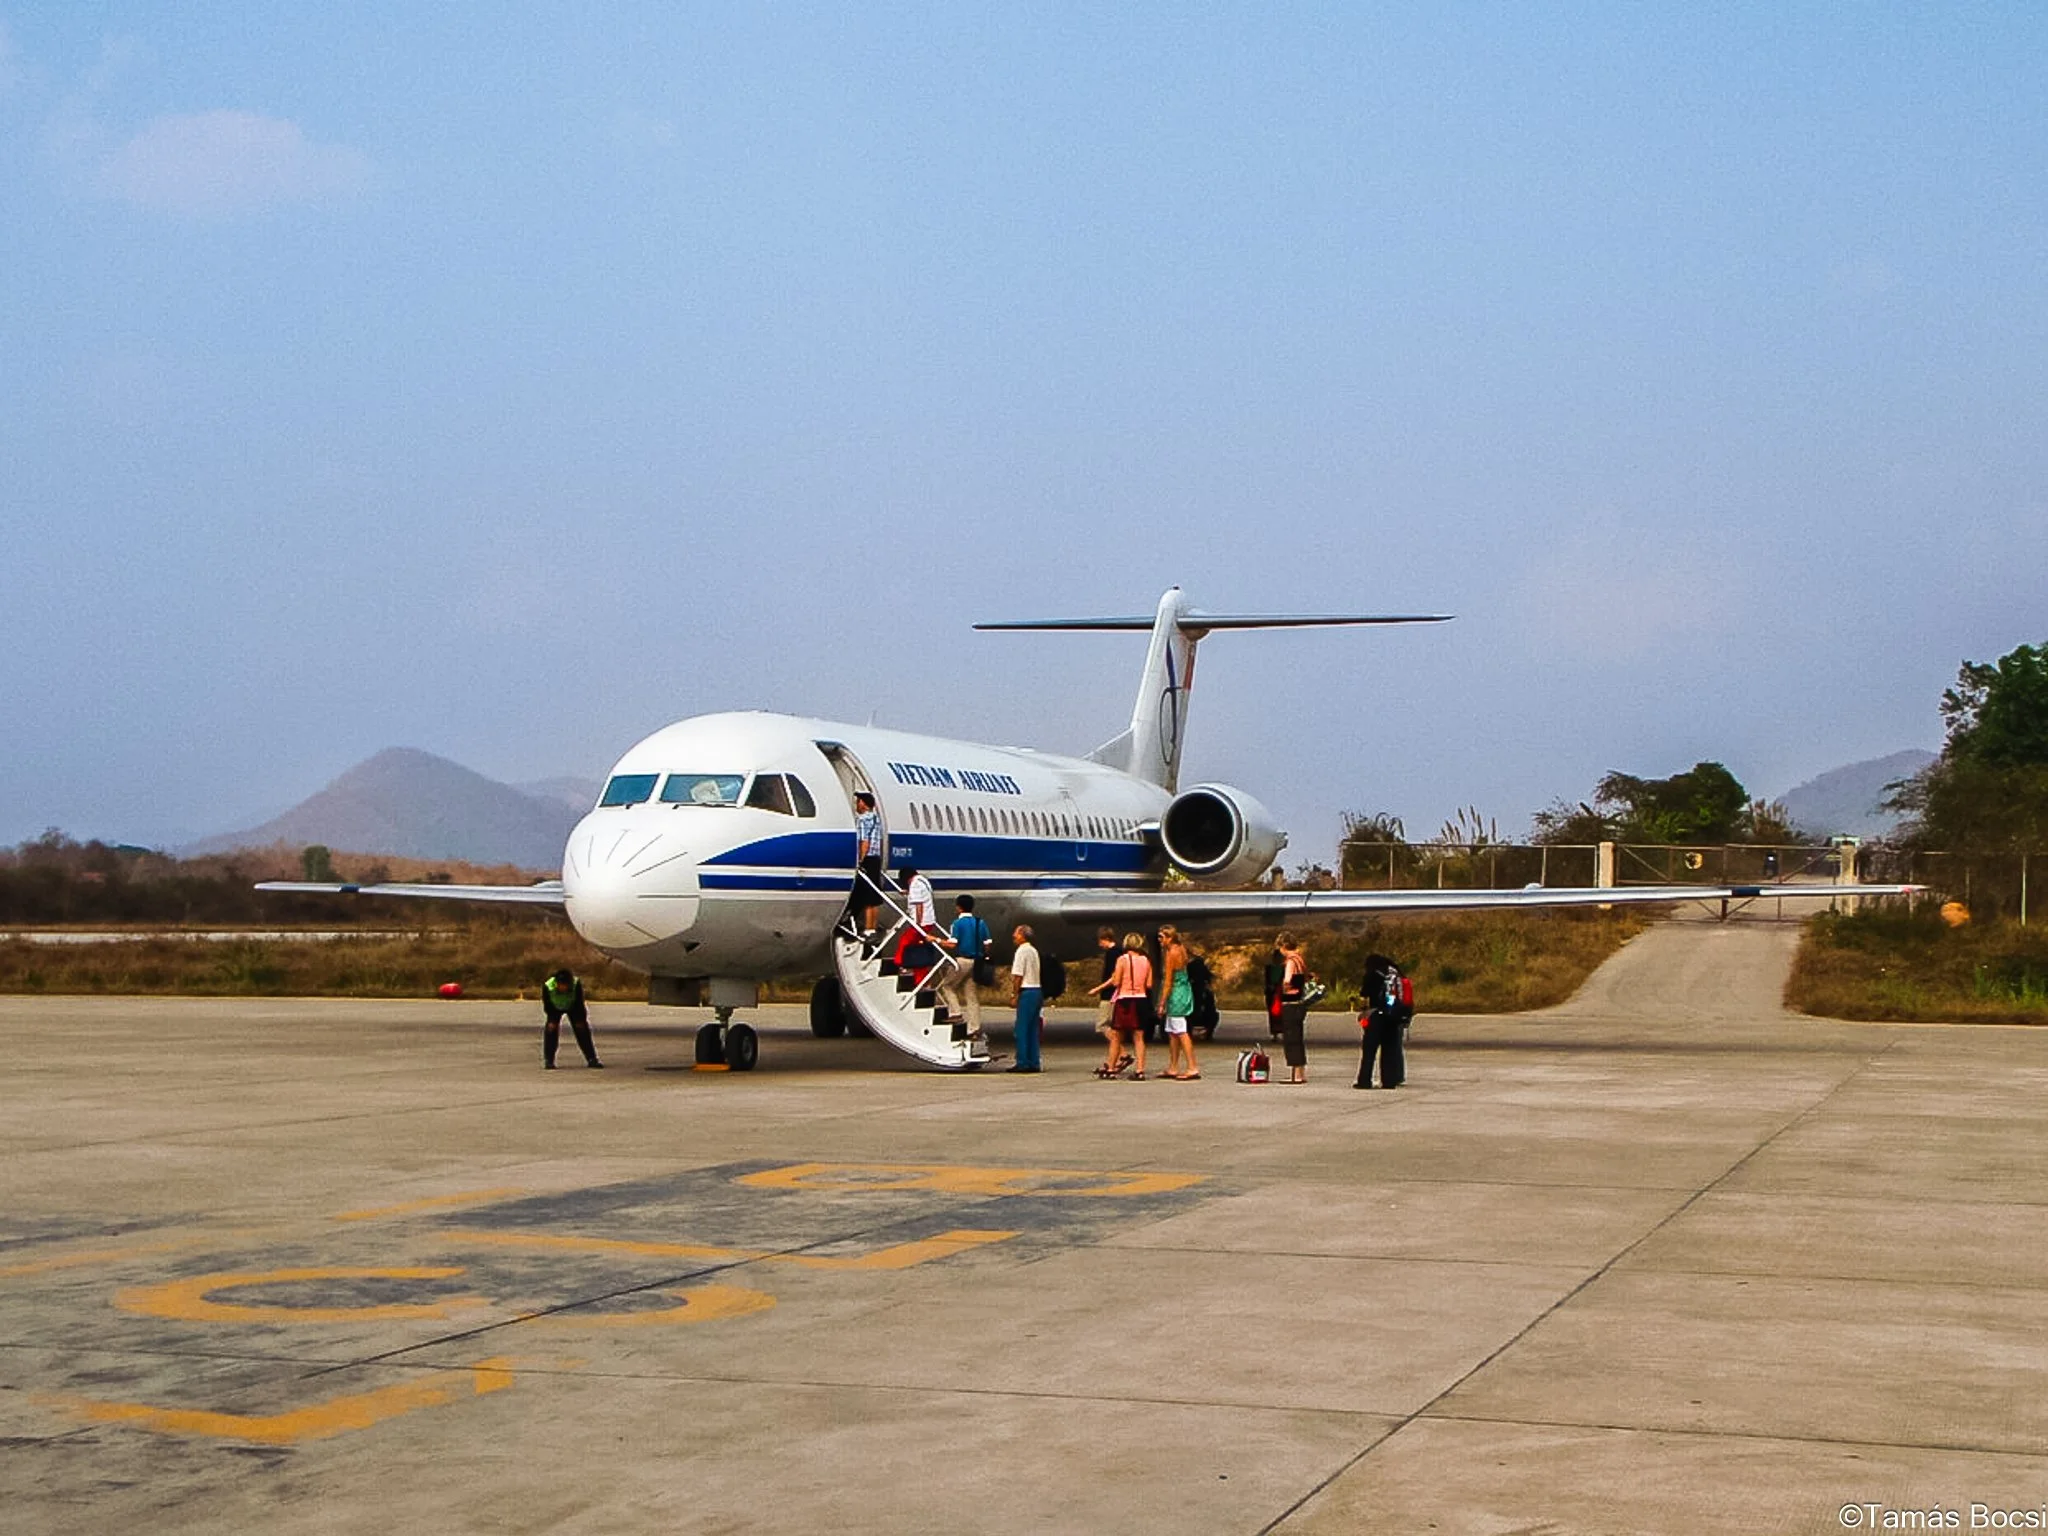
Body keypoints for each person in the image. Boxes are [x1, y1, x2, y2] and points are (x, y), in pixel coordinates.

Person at [1092, 932, 1153, 1079]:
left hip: (1125, 1000)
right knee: (1139, 1037)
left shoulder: (1122, 959)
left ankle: (1111, 1069)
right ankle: (1140, 1071)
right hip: (1141, 1000)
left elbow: (1116, 982)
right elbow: (1149, 984)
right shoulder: (1146, 960)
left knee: (1116, 1036)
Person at [937, 893, 992, 1041]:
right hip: (977, 962)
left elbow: (952, 944)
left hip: (963, 960)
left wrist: (935, 940)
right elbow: (988, 943)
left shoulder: (957, 924)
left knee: (947, 986)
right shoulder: (980, 923)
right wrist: (984, 956)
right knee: (971, 995)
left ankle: (955, 1013)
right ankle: (974, 1028)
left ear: (959, 907)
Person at [1355, 953, 1406, 1089]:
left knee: (1369, 1050)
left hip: (1376, 1014)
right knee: (1390, 1048)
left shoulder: (1372, 974)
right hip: (1393, 1014)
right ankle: (1389, 1081)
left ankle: (1365, 1080)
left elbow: (1364, 995)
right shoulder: (1396, 973)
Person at [1157, 925, 1200, 1080]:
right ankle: (1173, 1066)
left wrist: (1161, 1002)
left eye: (1162, 937)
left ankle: (1192, 1066)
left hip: (1177, 993)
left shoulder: (1171, 953)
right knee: (1173, 1032)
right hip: (1183, 989)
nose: (1159, 940)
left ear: (1169, 938)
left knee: (1181, 1031)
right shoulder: (1181, 949)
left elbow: (1168, 981)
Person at [540, 967, 603, 1070]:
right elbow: (547, 1004)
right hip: (555, 1008)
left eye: (565, 985)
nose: (563, 987)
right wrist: (551, 1019)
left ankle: (592, 1059)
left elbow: (579, 1002)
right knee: (551, 1030)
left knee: (582, 1030)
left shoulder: (575, 984)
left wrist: (581, 1018)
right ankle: (549, 1061)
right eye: (561, 985)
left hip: (573, 1006)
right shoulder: (548, 986)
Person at [1274, 931, 1311, 1083]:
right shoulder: (1300, 960)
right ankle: (1300, 1072)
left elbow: (1288, 981)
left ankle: (1295, 1075)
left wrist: (1282, 987)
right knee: (1298, 1037)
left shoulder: (1290, 961)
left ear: (1283, 946)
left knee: (1291, 1039)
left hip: (1290, 1003)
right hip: (1300, 1003)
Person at [1008, 924, 1044, 1073]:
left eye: (1016, 934)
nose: (1013, 936)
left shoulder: (1021, 951)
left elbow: (1018, 975)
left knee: (1022, 1029)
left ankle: (1022, 1062)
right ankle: (1033, 1061)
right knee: (1033, 1029)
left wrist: (1014, 995)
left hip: (1027, 991)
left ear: (1022, 936)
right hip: (1037, 990)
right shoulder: (1033, 950)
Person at [853, 792, 886, 939]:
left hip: (867, 859)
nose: (856, 804)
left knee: (866, 898)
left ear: (864, 803)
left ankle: (866, 928)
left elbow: (864, 841)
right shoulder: (876, 818)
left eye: (858, 801)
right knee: (874, 897)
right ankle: (872, 928)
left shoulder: (862, 820)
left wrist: (860, 860)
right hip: (876, 859)